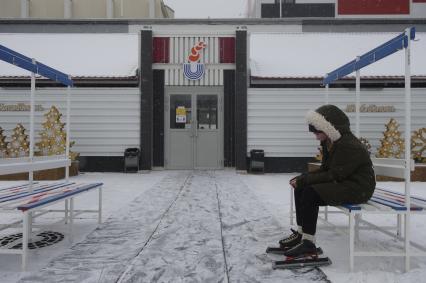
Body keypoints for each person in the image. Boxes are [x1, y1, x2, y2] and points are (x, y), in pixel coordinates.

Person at [280, 104, 376, 257]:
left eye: (318, 132)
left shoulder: (349, 145)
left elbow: (334, 174)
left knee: (310, 192)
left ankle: (309, 244)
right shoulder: (330, 142)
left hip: (358, 187)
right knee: (301, 188)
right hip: (344, 181)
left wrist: (306, 181)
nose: (316, 136)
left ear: (330, 128)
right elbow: (326, 169)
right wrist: (303, 178)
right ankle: (302, 234)